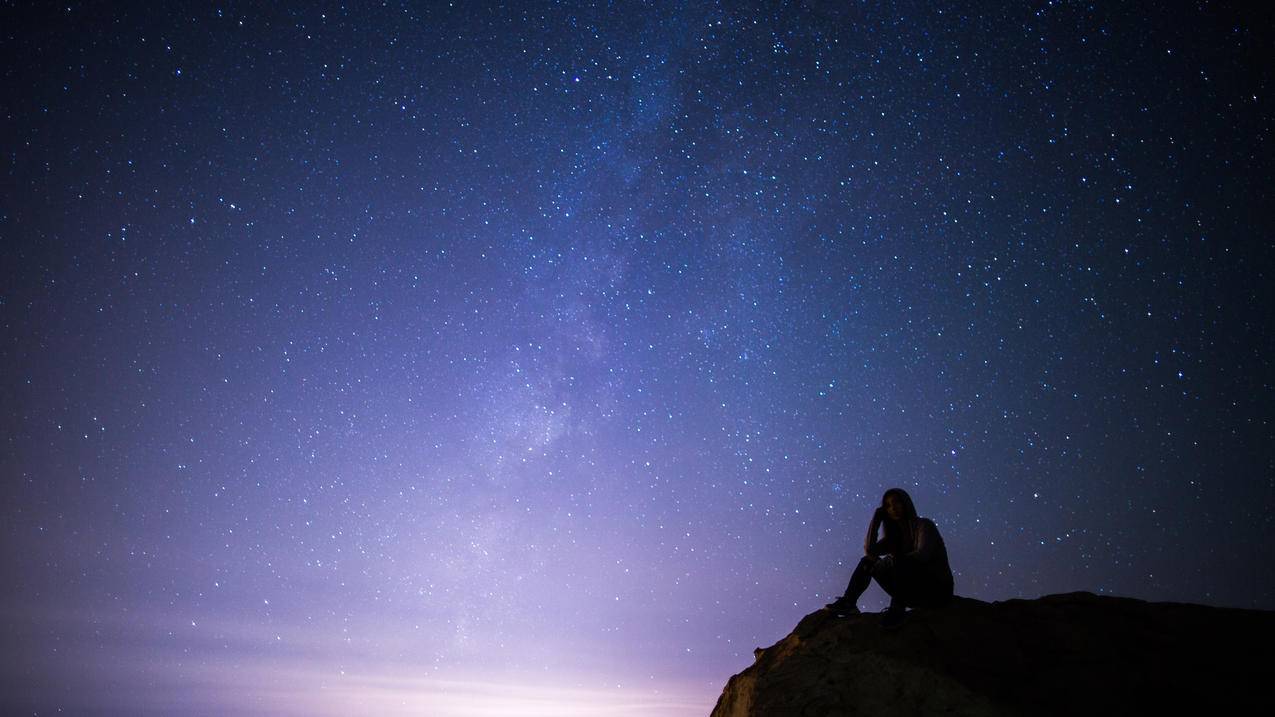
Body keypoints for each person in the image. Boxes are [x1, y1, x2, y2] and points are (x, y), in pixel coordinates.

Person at [825, 488, 953, 628]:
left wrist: (891, 562)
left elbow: (922, 555)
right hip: (910, 590)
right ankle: (849, 602)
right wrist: (876, 520)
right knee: (867, 562)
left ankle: (897, 610)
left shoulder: (924, 525)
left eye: (896, 503)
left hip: (936, 589)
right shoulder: (894, 538)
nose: (893, 508)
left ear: (906, 503)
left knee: (900, 561)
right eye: (888, 506)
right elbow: (870, 552)